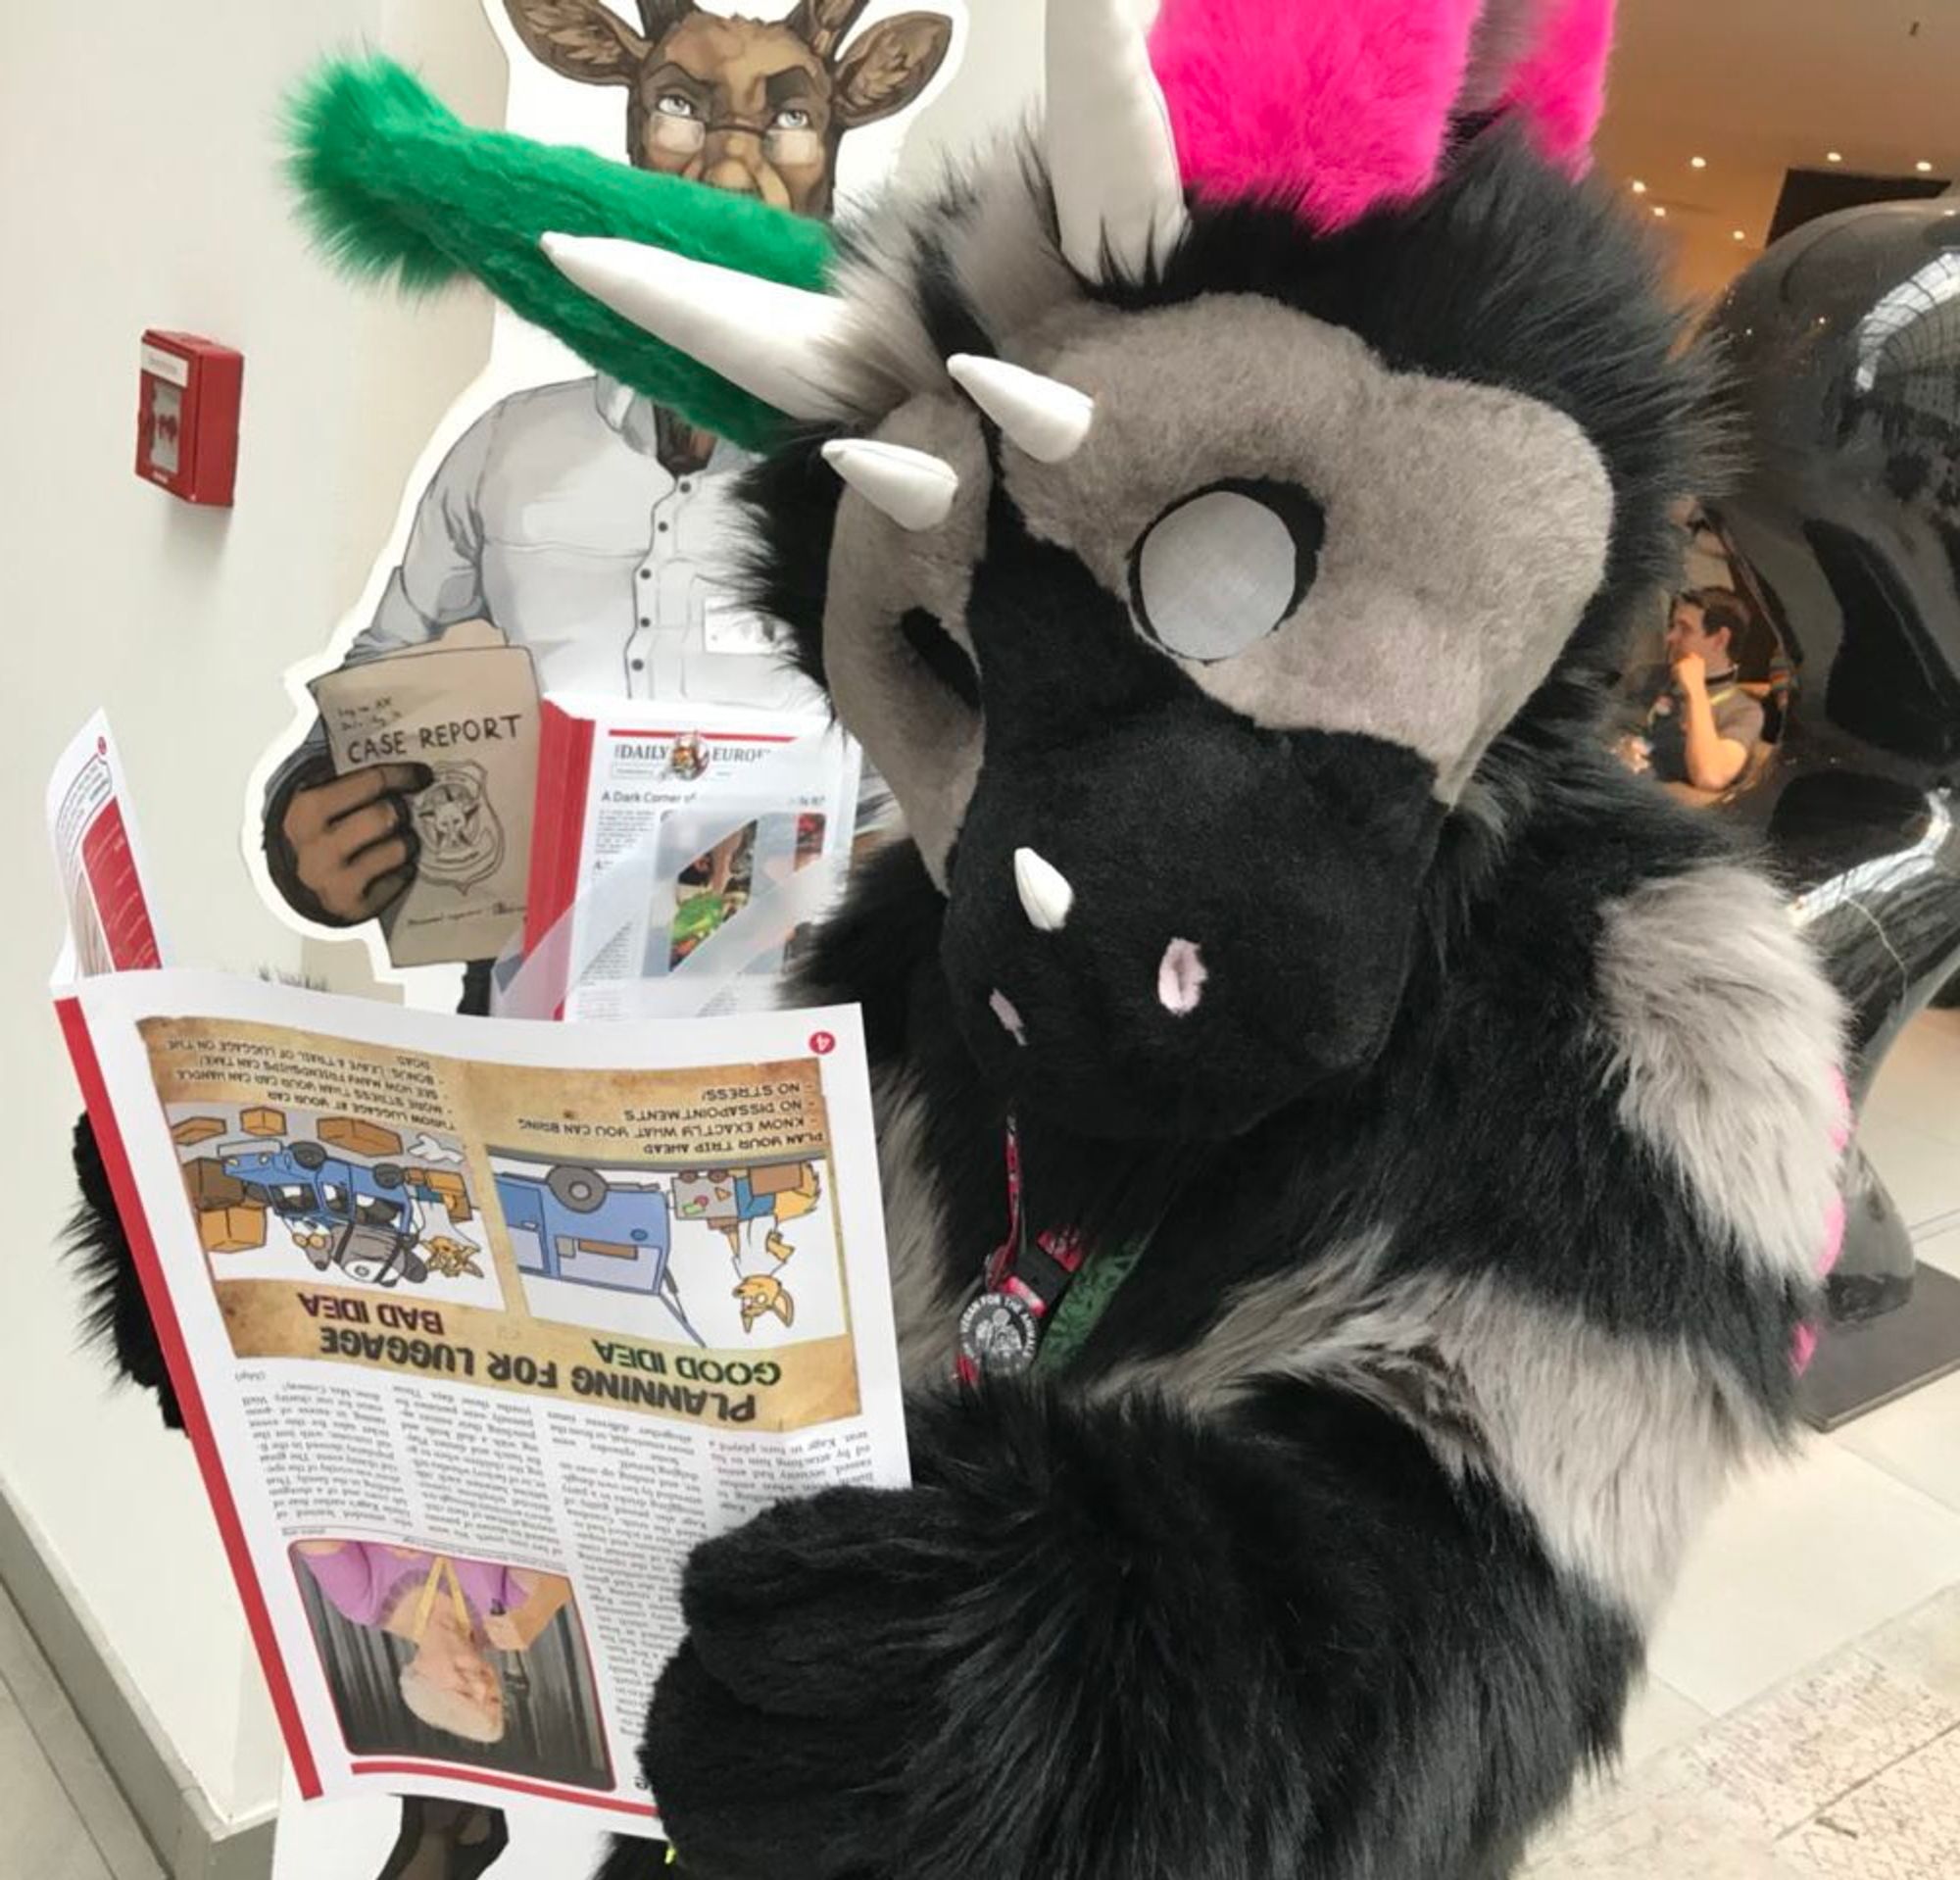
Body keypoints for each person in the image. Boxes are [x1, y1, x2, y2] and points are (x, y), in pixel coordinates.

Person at [295, 1540, 570, 1746]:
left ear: (420, 1674)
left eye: (465, 1694)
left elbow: (313, 1525)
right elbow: (550, 1544)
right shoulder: (503, 1614)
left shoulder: (364, 1602)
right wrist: (538, 1607)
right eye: (494, 1698)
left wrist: (380, 1522)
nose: (481, 1685)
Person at [1618, 587, 1766, 795]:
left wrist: (1696, 691)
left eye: (1685, 629)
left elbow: (1711, 776)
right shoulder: (1646, 677)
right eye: (1672, 626)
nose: (1670, 637)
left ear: (1720, 639)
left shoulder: (1743, 711)